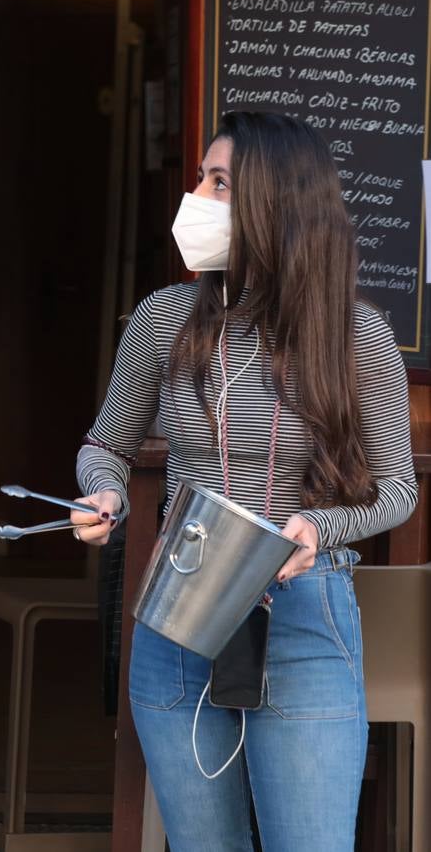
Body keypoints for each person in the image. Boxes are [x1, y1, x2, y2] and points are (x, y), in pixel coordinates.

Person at [69, 111, 416, 851]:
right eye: (199, 177)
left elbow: (395, 492)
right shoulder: (163, 319)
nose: (193, 195)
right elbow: (105, 445)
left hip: (301, 614)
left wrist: (315, 528)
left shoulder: (357, 338)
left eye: (215, 182)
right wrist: (100, 492)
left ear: (274, 201)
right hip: (179, 611)